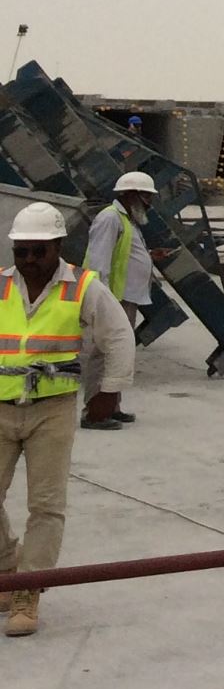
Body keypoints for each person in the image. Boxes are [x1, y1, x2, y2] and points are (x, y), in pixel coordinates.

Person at [0, 202, 135, 637]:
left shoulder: (83, 287)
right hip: (1, 405)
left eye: (38, 251)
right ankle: (6, 568)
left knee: (45, 505)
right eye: (21, 251)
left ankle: (28, 591)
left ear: (58, 246)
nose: (29, 260)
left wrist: (109, 390)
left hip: (52, 409)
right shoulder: (1, 285)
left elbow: (118, 336)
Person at [79, 172, 157, 429]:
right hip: (112, 299)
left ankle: (112, 407)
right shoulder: (109, 218)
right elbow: (98, 262)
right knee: (101, 355)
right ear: (130, 195)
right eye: (146, 196)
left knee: (118, 355)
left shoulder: (125, 220)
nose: (149, 203)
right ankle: (94, 413)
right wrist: (101, 301)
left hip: (125, 299)